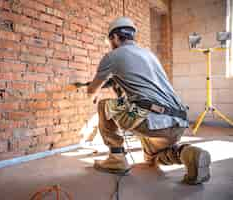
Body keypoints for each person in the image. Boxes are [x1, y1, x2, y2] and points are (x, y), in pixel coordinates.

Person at [75, 17, 211, 185]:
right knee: (152, 158)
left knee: (105, 106)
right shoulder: (148, 54)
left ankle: (116, 157)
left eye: (110, 40)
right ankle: (189, 153)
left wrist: (94, 88)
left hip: (149, 118)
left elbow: (91, 91)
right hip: (178, 121)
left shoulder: (112, 56)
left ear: (114, 38)